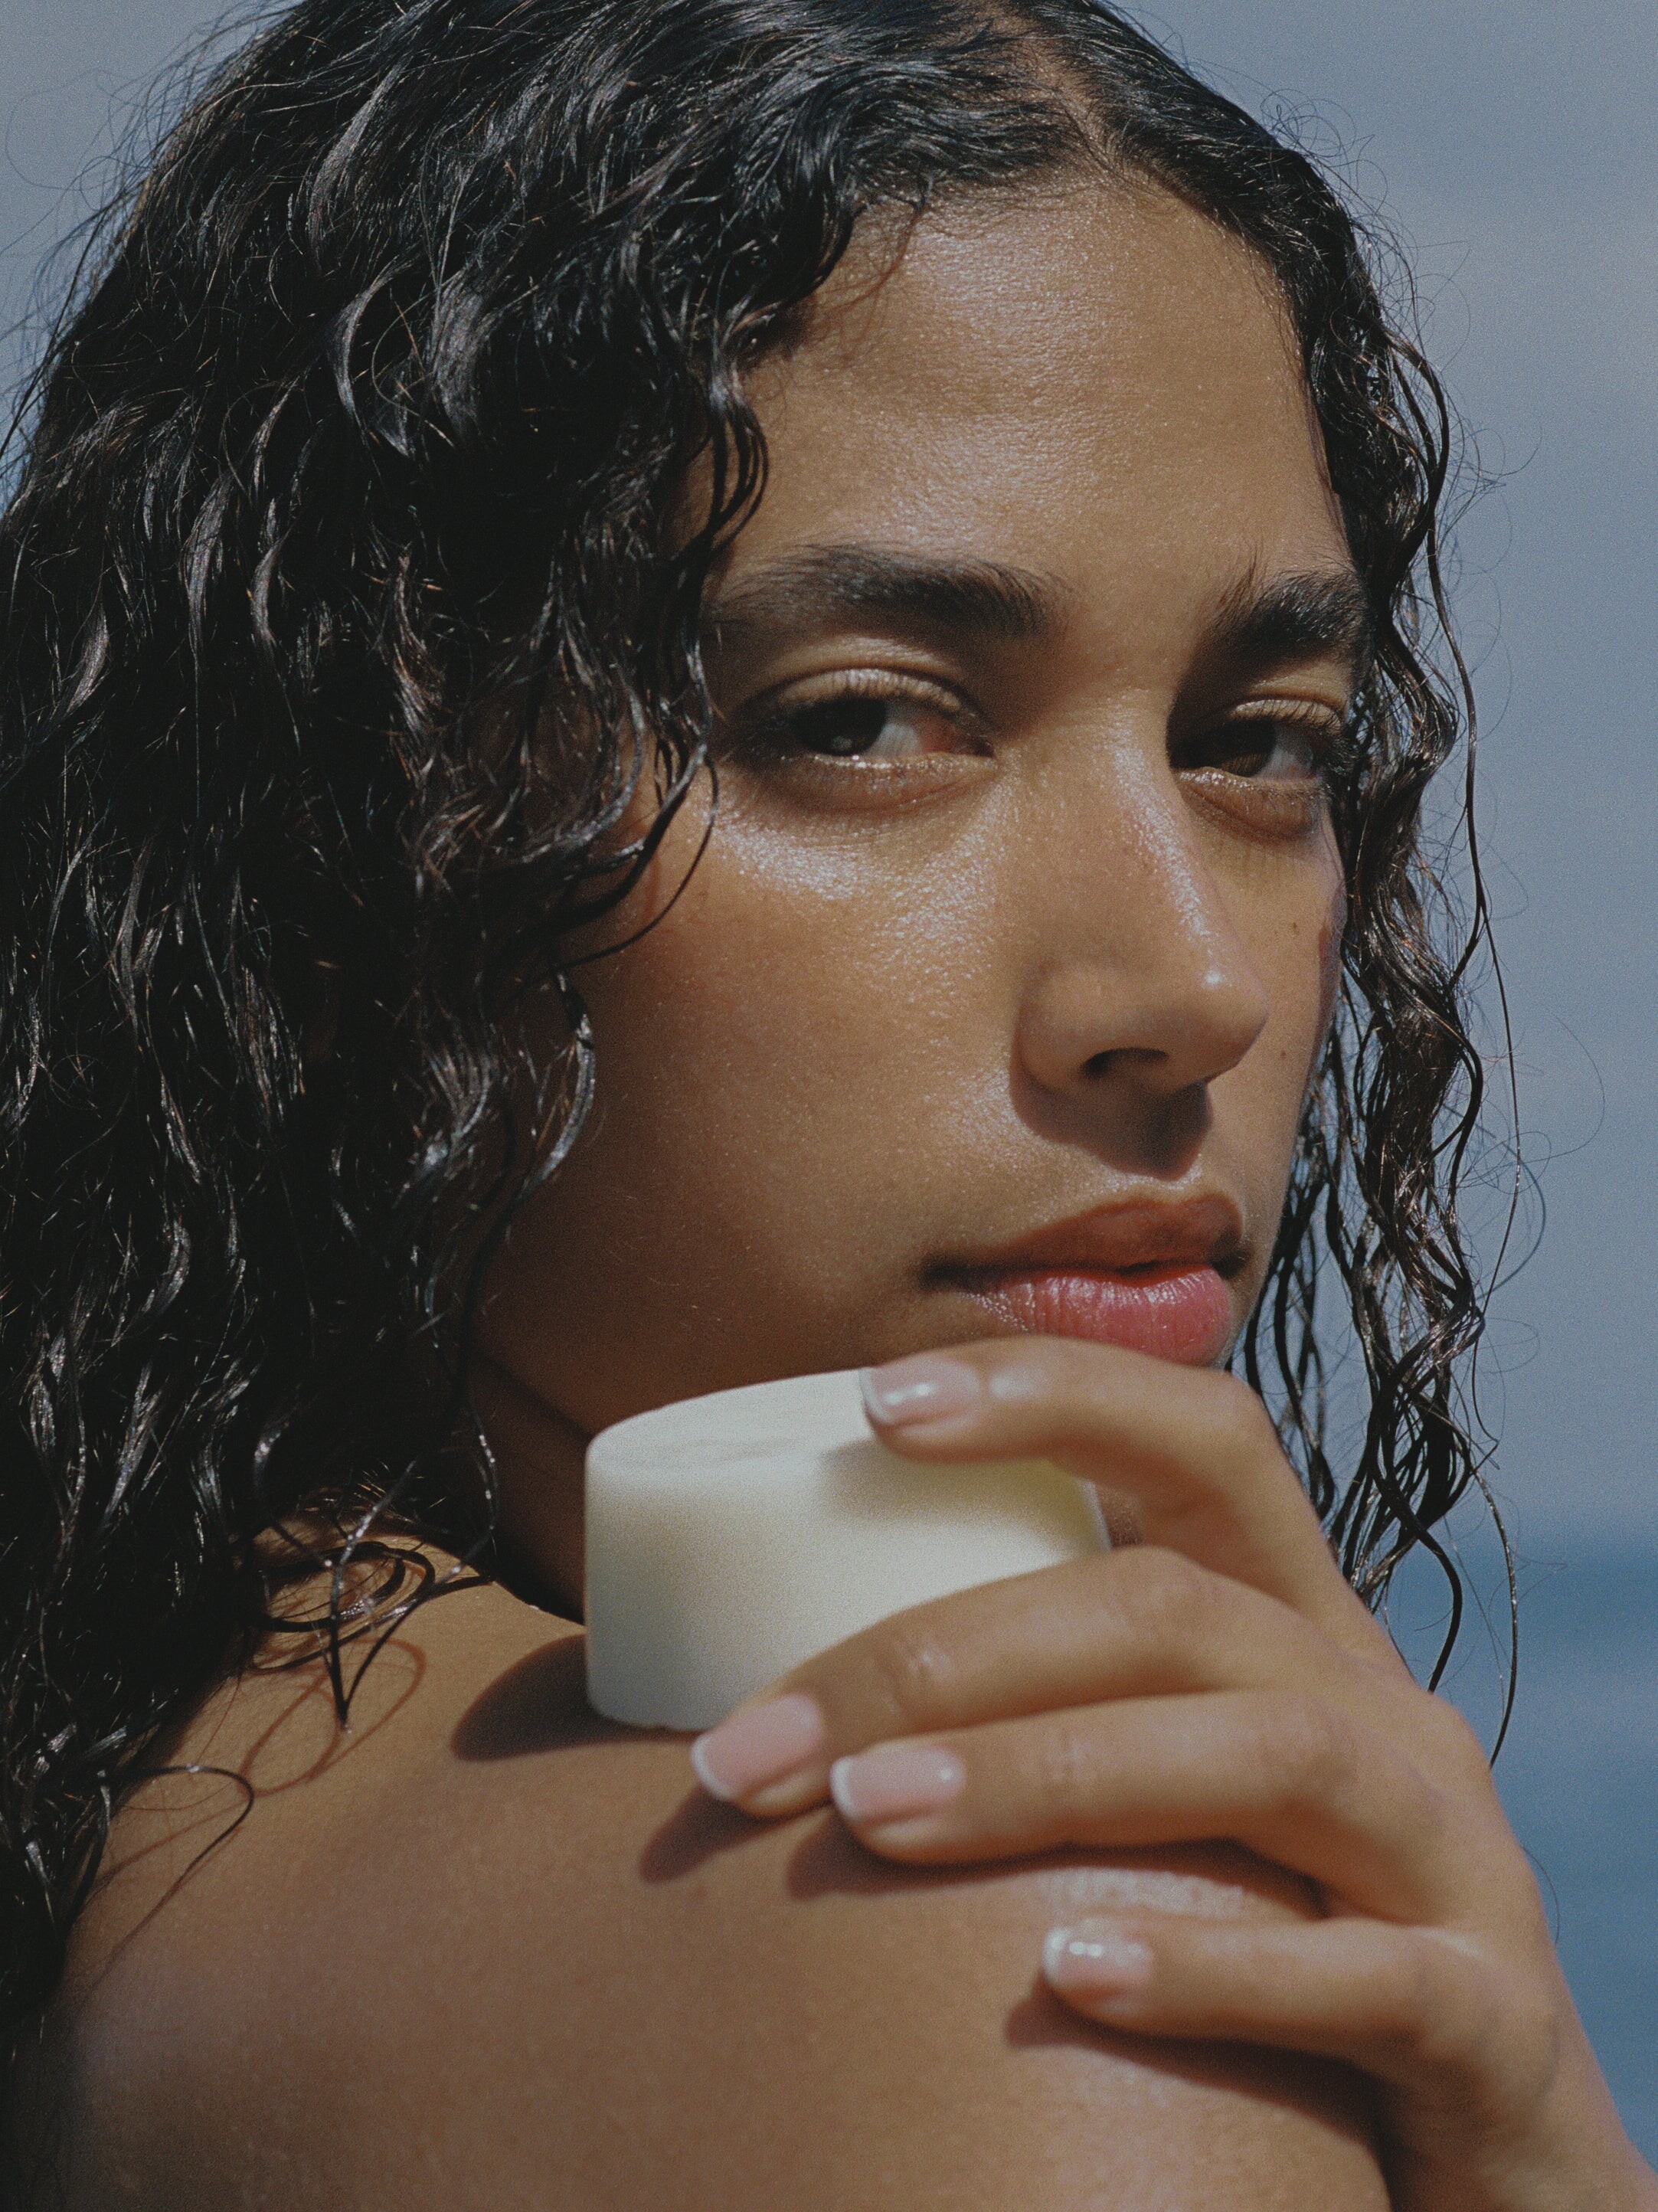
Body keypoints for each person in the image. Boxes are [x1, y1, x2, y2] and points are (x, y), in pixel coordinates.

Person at [0, 1, 1650, 2204]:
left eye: (1259, 741)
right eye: (865, 722)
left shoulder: (133, 1808)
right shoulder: (1016, 1948)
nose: (1190, 987)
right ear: (337, 835)